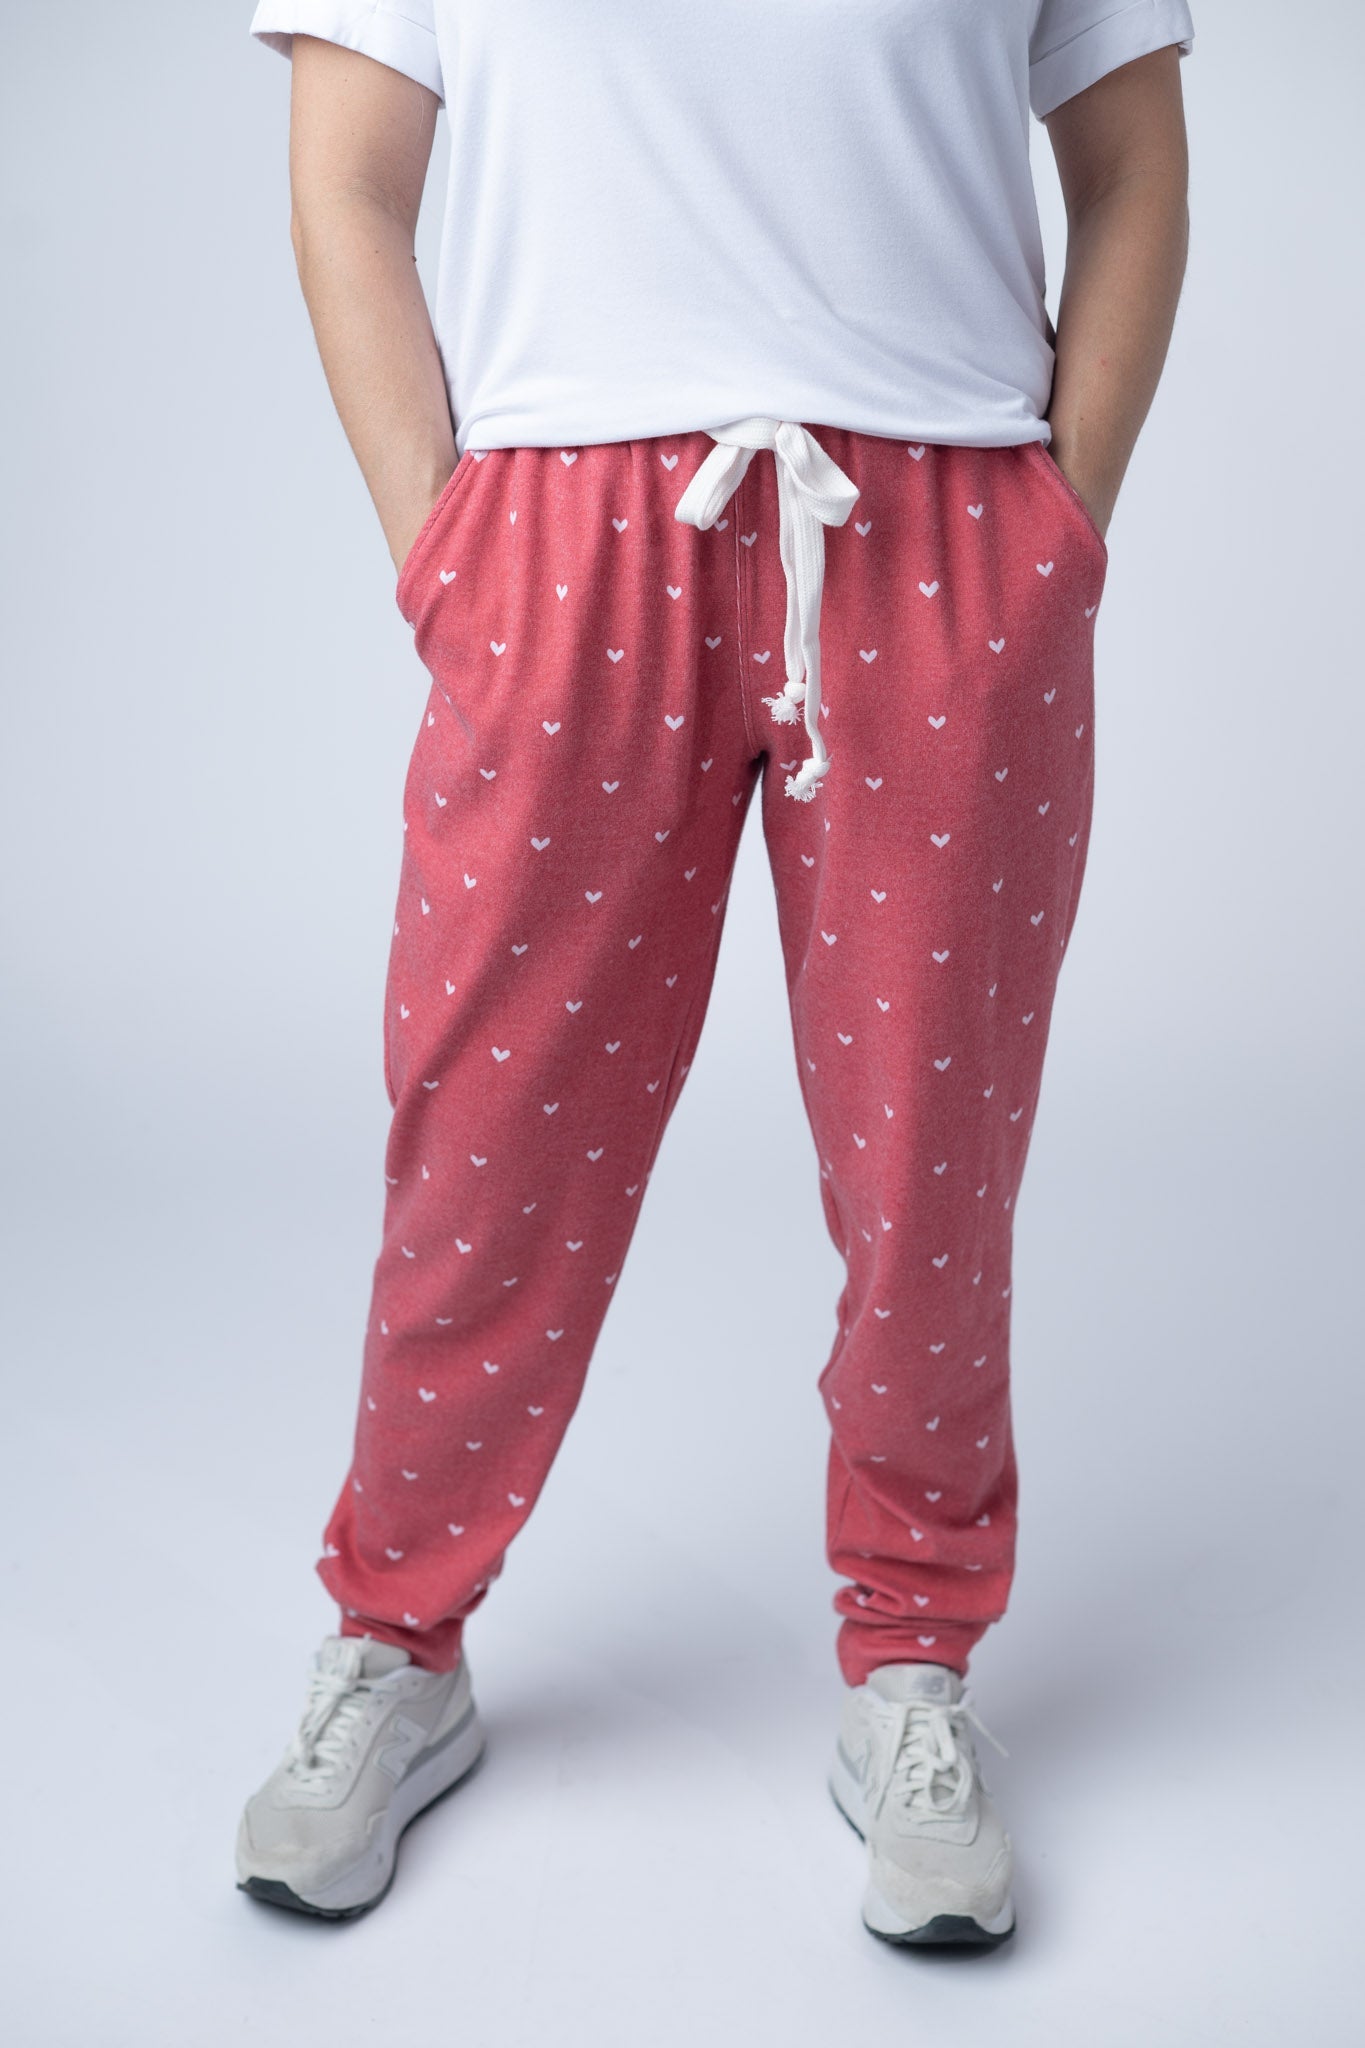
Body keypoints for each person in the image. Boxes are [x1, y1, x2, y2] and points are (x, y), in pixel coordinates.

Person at [235, 0, 1192, 1946]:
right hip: (561, 536)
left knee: (926, 1155)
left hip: (941, 522)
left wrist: (1055, 521)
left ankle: (912, 1661)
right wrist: (443, 547)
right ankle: (395, 1641)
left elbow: (1130, 167)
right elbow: (346, 179)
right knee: (489, 1132)